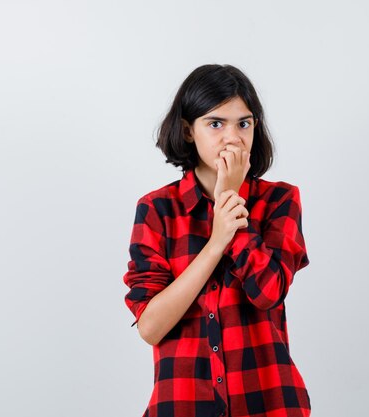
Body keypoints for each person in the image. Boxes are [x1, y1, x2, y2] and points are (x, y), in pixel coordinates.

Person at [122, 64, 312, 417]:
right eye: (215, 123)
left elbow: (268, 291)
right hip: (182, 406)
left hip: (269, 403)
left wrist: (229, 198)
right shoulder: (157, 210)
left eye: (244, 123)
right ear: (188, 131)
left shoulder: (280, 201)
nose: (233, 137)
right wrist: (215, 244)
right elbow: (150, 327)